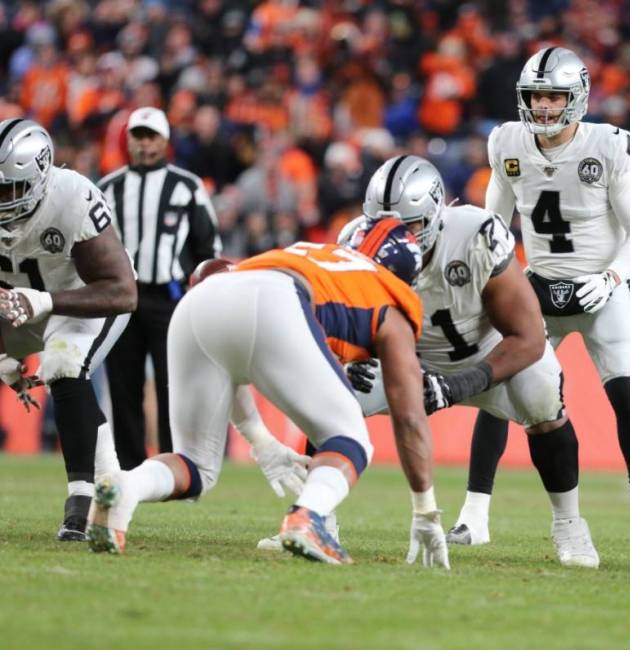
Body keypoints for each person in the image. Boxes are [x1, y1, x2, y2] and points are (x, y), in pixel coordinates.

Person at [86, 220, 451, 569]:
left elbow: (237, 348)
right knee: (351, 438)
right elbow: (409, 416)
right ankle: (308, 517)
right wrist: (425, 510)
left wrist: (260, 440)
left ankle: (125, 487)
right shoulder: (393, 297)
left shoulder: (315, 255)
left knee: (195, 465)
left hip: (203, 301)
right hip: (277, 299)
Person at [339, 154, 600, 567]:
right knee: (330, 394)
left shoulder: (476, 234)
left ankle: (570, 525)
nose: (396, 240)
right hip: (405, 358)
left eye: (408, 226)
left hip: (486, 355)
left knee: (542, 392)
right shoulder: (356, 243)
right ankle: (313, 517)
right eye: (383, 227)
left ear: (436, 213)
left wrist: (459, 385)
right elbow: (346, 320)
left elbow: (529, 338)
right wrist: (351, 354)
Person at [461, 46, 630, 551]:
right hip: (538, 286)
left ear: (578, 97)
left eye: (554, 95)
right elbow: (494, 228)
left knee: (624, 394)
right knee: (499, 386)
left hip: (601, 288)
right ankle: (474, 514)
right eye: (536, 96)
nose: (544, 106)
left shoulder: (609, 146)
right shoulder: (507, 142)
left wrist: (613, 277)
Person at [0, 118, 136, 540]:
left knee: (63, 361)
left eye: (9, 188)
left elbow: (122, 290)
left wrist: (46, 301)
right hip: (19, 303)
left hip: (81, 298)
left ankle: (82, 500)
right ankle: (114, 485)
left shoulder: (72, 197)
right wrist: (4, 355)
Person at [98, 107, 221, 470]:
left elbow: (207, 247)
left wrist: (200, 296)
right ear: (129, 140)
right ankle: (131, 470)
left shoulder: (186, 186)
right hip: (123, 297)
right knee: (123, 387)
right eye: (138, 135)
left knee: (174, 386)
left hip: (169, 299)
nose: (144, 142)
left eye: (151, 135)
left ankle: (175, 466)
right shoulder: (108, 187)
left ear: (165, 141)